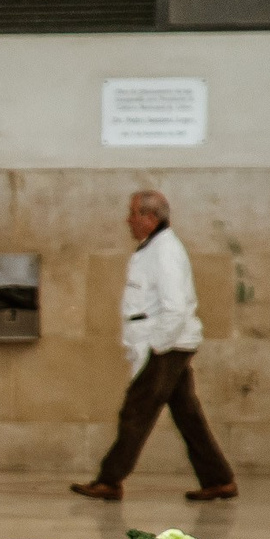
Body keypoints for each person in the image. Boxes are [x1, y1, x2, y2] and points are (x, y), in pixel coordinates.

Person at [73, 189, 235, 503]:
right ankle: (218, 479)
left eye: (133, 213)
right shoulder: (154, 249)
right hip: (166, 343)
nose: (128, 220)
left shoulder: (165, 251)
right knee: (187, 413)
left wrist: (157, 346)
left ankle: (109, 480)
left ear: (151, 217)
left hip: (167, 345)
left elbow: (174, 306)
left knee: (136, 410)